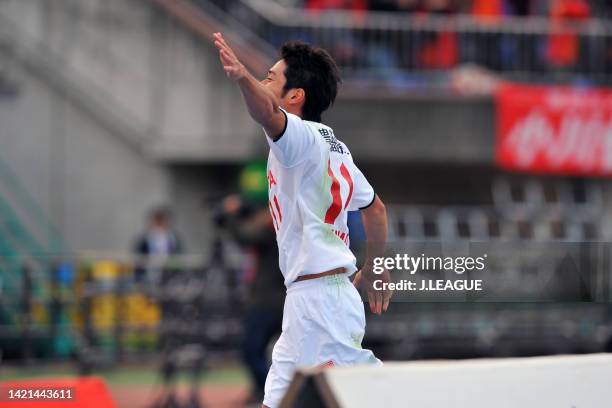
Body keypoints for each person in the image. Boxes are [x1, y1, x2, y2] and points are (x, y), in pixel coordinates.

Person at [212, 33, 392, 408]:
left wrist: (243, 76)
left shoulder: (299, 138)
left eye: (271, 78)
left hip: (321, 300)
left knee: (363, 396)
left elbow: (266, 112)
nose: (264, 82)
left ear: (295, 96)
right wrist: (374, 266)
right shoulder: (335, 147)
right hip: (306, 299)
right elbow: (376, 210)